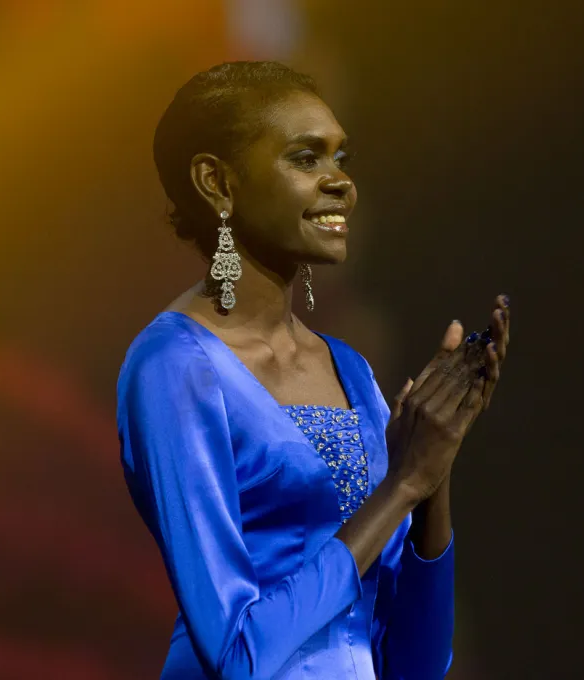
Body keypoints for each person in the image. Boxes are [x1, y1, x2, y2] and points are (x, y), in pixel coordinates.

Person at [117, 61, 510, 680]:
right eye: (307, 159)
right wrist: (400, 486)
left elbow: (416, 665)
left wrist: (434, 470)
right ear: (217, 182)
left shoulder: (349, 371)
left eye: (341, 159)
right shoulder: (174, 368)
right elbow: (237, 656)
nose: (342, 184)